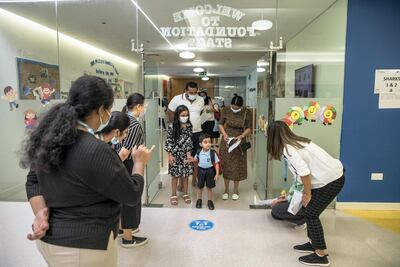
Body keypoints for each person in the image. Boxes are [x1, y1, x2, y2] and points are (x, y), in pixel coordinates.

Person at [22, 75, 153, 267]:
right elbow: (131, 194)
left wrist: (40, 211)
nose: (108, 117)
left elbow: (32, 180)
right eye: (107, 111)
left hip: (49, 240)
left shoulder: (50, 141)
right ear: (100, 110)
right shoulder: (95, 149)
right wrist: (139, 163)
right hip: (84, 247)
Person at [267, 121, 345, 267]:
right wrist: (292, 195)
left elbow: (304, 173)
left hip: (331, 180)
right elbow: (299, 175)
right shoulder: (297, 142)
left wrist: (307, 194)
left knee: (311, 213)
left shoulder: (288, 148)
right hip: (330, 177)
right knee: (309, 211)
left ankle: (321, 255)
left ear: (273, 137)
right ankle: (312, 243)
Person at [116, 93, 148, 247]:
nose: (144, 108)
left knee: (123, 199)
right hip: (127, 164)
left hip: (120, 162)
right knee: (130, 198)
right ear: (138, 106)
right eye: (144, 105)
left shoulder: (122, 119)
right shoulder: (134, 124)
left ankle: (122, 229)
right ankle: (128, 238)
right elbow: (124, 152)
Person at [168, 82, 204, 187]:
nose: (193, 94)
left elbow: (199, 113)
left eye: (195, 92)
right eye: (190, 92)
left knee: (196, 158)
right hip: (181, 133)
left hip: (197, 132)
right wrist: (175, 127)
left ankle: (194, 180)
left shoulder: (200, 100)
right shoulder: (177, 99)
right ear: (185, 90)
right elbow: (170, 112)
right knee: (181, 158)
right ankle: (180, 183)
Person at [218, 95, 252, 200]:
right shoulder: (226, 110)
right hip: (227, 139)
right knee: (226, 164)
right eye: (233, 107)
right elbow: (220, 124)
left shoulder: (247, 112)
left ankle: (236, 190)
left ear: (241, 106)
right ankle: (226, 190)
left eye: (237, 108)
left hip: (239, 140)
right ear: (231, 104)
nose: (235, 109)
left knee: (237, 165)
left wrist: (241, 136)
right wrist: (224, 134)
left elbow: (249, 128)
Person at [165, 105, 193, 205]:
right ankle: (173, 195)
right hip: (175, 154)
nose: (185, 117)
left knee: (185, 176)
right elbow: (169, 141)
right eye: (182, 115)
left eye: (186, 115)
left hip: (185, 155)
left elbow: (189, 142)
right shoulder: (172, 126)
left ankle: (185, 194)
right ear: (177, 115)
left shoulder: (189, 126)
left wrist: (189, 155)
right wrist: (170, 155)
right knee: (175, 176)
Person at [193, 134, 220, 210]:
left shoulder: (212, 153)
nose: (208, 144)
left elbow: (217, 163)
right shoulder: (198, 152)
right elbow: (195, 160)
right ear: (200, 144)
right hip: (201, 171)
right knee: (200, 187)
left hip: (210, 171)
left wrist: (217, 174)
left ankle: (210, 201)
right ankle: (199, 200)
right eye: (205, 142)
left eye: (209, 142)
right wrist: (190, 160)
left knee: (209, 187)